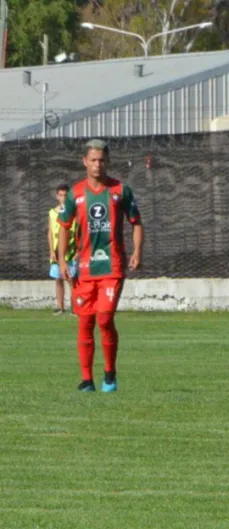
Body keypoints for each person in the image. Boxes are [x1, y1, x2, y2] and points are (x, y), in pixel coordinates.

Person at [58, 139, 144, 393]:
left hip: (112, 266)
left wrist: (137, 251)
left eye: (102, 160)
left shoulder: (120, 190)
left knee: (104, 319)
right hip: (84, 269)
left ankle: (109, 374)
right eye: (93, 160)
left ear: (108, 162)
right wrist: (62, 260)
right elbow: (64, 227)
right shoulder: (76, 193)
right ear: (85, 161)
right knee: (85, 322)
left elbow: (136, 222)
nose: (98, 164)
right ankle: (87, 380)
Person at [48, 184, 77, 314]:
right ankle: (60, 307)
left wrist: (78, 252)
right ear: (56, 196)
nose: (63, 198)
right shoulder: (52, 213)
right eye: (61, 195)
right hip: (56, 251)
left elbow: (77, 231)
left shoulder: (73, 213)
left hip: (70, 251)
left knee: (71, 279)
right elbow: (50, 233)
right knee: (58, 279)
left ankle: (75, 306)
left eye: (66, 195)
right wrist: (51, 251)